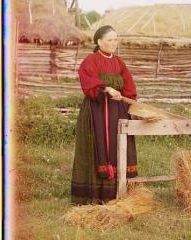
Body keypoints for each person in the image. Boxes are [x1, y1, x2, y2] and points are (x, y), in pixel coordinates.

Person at [71, 25, 138, 205]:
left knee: (119, 146)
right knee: (99, 146)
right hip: (97, 114)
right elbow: (88, 82)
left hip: (118, 112)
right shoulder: (90, 61)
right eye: (109, 40)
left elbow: (129, 86)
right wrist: (106, 88)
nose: (113, 43)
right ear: (99, 41)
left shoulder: (119, 63)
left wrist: (130, 101)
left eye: (115, 40)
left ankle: (120, 193)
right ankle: (95, 194)